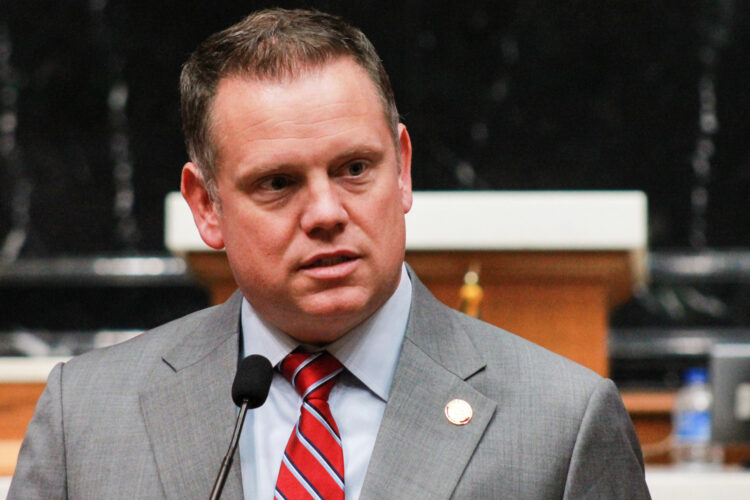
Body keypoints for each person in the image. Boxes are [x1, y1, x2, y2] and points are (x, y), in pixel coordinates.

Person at [9, 8, 651, 499]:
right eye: (277, 183)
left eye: (353, 168)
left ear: (402, 170)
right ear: (206, 206)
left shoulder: (562, 426)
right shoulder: (86, 418)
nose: (325, 214)